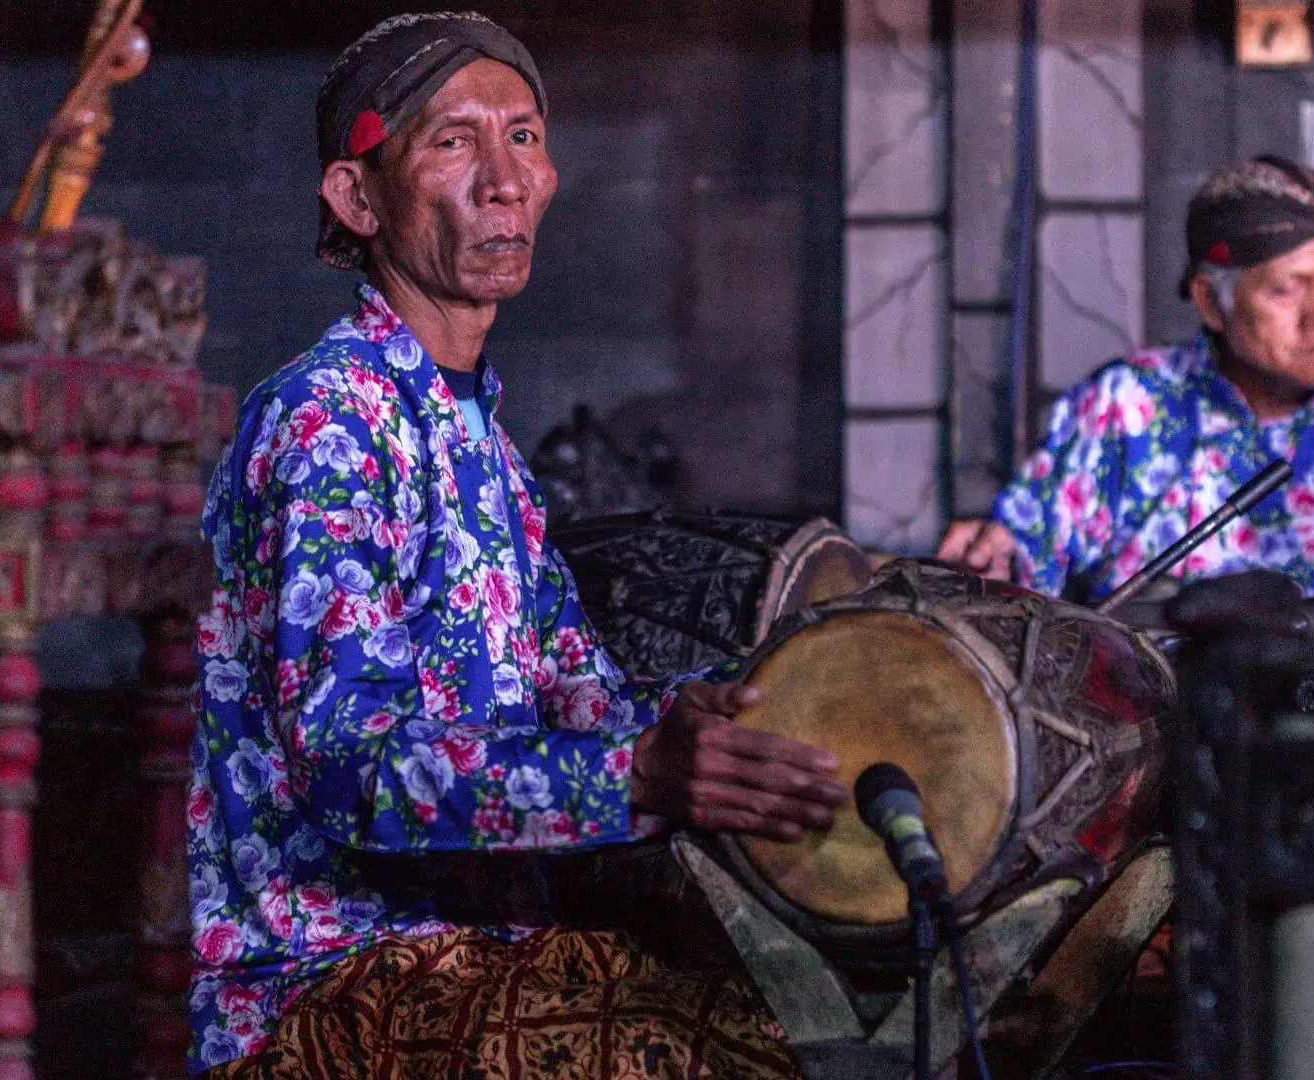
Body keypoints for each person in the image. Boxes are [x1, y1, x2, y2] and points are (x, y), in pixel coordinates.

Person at [187, 13, 842, 1077]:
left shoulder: (480, 441)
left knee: (827, 1019)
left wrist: (751, 714)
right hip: (329, 989)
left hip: (486, 964)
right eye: (452, 141)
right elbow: (349, 771)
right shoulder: (324, 423)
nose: (503, 178)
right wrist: (637, 773)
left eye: (525, 136)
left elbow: (583, 692)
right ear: (358, 198)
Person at [937, 156, 1314, 602]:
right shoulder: (1130, 406)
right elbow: (1028, 553)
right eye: (1287, 288)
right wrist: (993, 556)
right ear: (1210, 301)